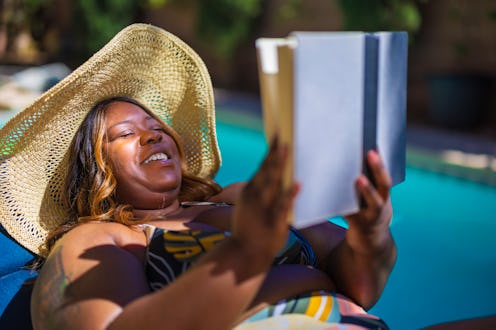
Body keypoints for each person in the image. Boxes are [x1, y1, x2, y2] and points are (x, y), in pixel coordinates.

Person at [0, 24, 396, 329]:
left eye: (154, 123)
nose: (152, 133)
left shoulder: (238, 199)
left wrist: (370, 237)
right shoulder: (97, 239)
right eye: (124, 134)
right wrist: (245, 254)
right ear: (95, 169)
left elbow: (363, 287)